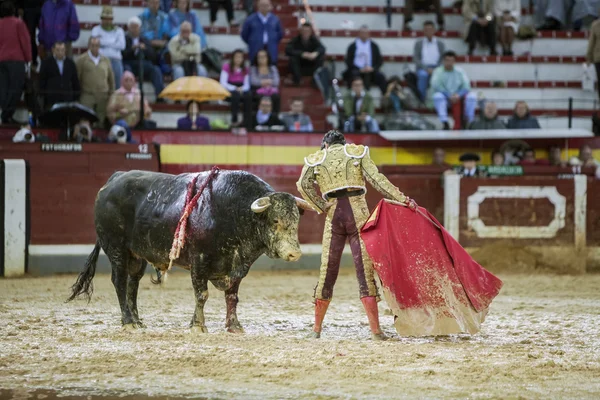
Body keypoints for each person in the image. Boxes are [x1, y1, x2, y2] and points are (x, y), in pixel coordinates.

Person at [296, 130, 418, 340]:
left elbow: (302, 185)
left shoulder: (317, 158)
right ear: (344, 143)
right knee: (364, 271)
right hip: (358, 213)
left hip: (334, 215)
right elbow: (378, 181)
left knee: (328, 270)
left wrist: (321, 206)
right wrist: (404, 199)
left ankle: (316, 330)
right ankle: (376, 331)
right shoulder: (357, 153)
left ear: (325, 145)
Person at [0, 0, 31, 124]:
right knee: (15, 90)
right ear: (13, 10)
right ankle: (6, 116)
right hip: (16, 62)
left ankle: (3, 115)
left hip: (2, 61)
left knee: (3, 89)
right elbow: (25, 42)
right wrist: (28, 59)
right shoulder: (19, 23)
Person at [431, 51, 477, 130]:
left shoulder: (460, 71)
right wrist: (449, 95)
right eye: (447, 60)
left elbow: (466, 86)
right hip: (446, 99)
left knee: (472, 96)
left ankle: (469, 122)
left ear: (454, 61)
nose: (449, 63)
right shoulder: (437, 71)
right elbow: (436, 86)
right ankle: (445, 122)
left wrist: (458, 95)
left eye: (451, 61)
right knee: (437, 96)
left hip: (459, 97)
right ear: (443, 61)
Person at [76, 36, 115, 127]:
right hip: (87, 94)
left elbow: (111, 79)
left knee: (100, 120)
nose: (94, 47)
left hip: (102, 95)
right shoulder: (81, 60)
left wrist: (111, 93)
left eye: (97, 45)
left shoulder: (106, 60)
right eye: (92, 45)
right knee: (85, 118)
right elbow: (77, 77)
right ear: (89, 46)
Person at [122, 16, 164, 101]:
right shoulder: (124, 39)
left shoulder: (144, 39)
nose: (134, 30)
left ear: (140, 28)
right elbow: (122, 54)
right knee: (127, 71)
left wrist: (145, 49)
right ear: (129, 28)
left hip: (143, 64)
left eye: (136, 27)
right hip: (129, 63)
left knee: (155, 70)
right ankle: (128, 98)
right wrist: (132, 49)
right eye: (132, 27)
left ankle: (160, 97)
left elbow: (153, 56)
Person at [342, 25, 386, 93]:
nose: (364, 34)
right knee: (352, 75)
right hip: (356, 70)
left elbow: (379, 60)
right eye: (362, 33)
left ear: (369, 34)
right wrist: (359, 69)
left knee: (381, 77)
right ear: (359, 33)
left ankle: (384, 97)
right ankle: (352, 97)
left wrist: (373, 68)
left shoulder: (374, 46)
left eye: (366, 33)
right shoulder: (352, 46)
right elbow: (348, 60)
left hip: (371, 70)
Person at [38, 41, 80, 110]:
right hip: (51, 99)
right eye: (58, 50)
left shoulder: (70, 63)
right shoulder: (46, 63)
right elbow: (42, 80)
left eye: (62, 50)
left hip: (67, 99)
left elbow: (75, 81)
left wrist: (75, 97)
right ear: (53, 50)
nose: (60, 52)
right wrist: (44, 95)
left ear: (65, 50)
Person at [91, 6, 126, 89]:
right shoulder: (96, 29)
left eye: (109, 18)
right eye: (105, 18)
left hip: (116, 60)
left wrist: (103, 42)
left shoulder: (119, 30)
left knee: (118, 85)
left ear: (112, 19)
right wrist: (113, 42)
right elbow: (95, 44)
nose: (107, 21)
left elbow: (122, 46)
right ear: (101, 18)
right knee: (101, 84)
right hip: (101, 59)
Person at [241, 0, 283, 65]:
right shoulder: (250, 19)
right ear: (258, 6)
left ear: (270, 6)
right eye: (262, 5)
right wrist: (252, 41)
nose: (265, 7)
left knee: (271, 67)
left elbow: (280, 34)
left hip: (271, 48)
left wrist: (273, 41)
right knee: (255, 68)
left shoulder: (275, 19)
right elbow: (244, 34)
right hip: (255, 48)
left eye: (267, 5)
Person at [413, 21, 445, 102]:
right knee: (423, 75)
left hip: (437, 67)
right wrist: (426, 68)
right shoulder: (419, 43)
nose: (428, 31)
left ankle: (438, 101)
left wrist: (436, 69)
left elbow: (443, 58)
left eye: (430, 29)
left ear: (434, 30)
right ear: (423, 31)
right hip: (423, 68)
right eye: (426, 30)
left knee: (438, 75)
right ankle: (421, 100)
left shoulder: (440, 43)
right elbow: (416, 58)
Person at [220, 49, 251, 128]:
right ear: (233, 58)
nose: (238, 59)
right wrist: (234, 88)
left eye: (240, 57)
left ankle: (247, 121)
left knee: (248, 95)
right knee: (235, 95)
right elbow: (223, 83)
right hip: (229, 90)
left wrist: (242, 89)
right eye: (236, 57)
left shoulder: (245, 69)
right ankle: (234, 120)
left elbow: (247, 85)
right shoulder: (226, 67)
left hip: (241, 89)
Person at [250, 49, 280, 113]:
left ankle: (274, 117)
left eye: (264, 56)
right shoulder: (253, 68)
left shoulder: (272, 68)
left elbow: (276, 82)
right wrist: (269, 81)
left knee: (276, 97)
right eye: (259, 57)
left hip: (271, 90)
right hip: (257, 91)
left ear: (268, 58)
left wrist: (261, 82)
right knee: (258, 97)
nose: (262, 59)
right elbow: (253, 81)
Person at [20, 0, 43, 66]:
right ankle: (32, 60)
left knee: (45, 36)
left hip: (40, 7)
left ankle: (42, 60)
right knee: (30, 37)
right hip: (28, 8)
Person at [587, 17, 600, 101]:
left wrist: (589, 58)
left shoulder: (596, 25)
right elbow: (591, 43)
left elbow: (591, 43)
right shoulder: (596, 25)